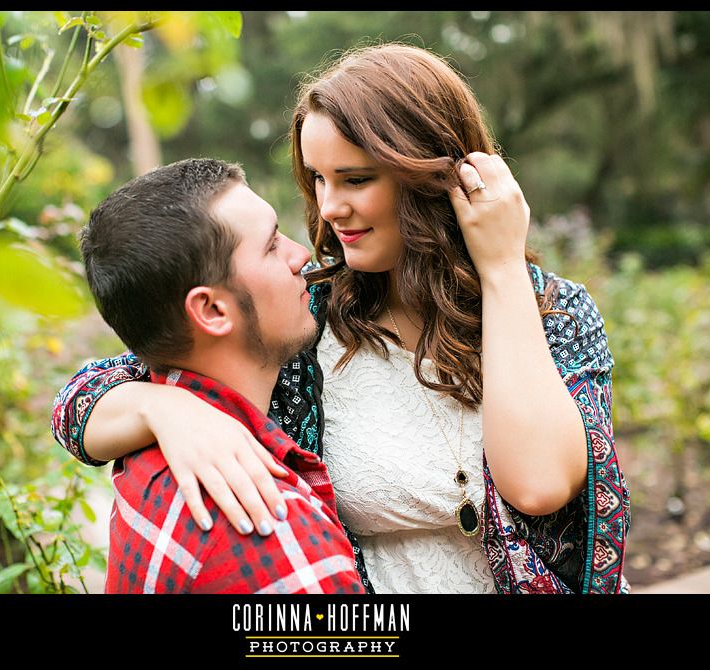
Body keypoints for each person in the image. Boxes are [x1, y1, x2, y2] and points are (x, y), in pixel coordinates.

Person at [54, 43, 630, 594]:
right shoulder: (311, 316)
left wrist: (501, 268)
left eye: (356, 179)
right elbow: (79, 403)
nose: (329, 207)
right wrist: (165, 407)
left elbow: (538, 486)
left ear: (434, 174)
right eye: (318, 179)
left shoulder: (555, 312)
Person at [76, 157, 365, 594]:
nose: (302, 255)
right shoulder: (273, 523)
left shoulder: (143, 466)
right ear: (210, 310)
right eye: (271, 246)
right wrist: (159, 408)